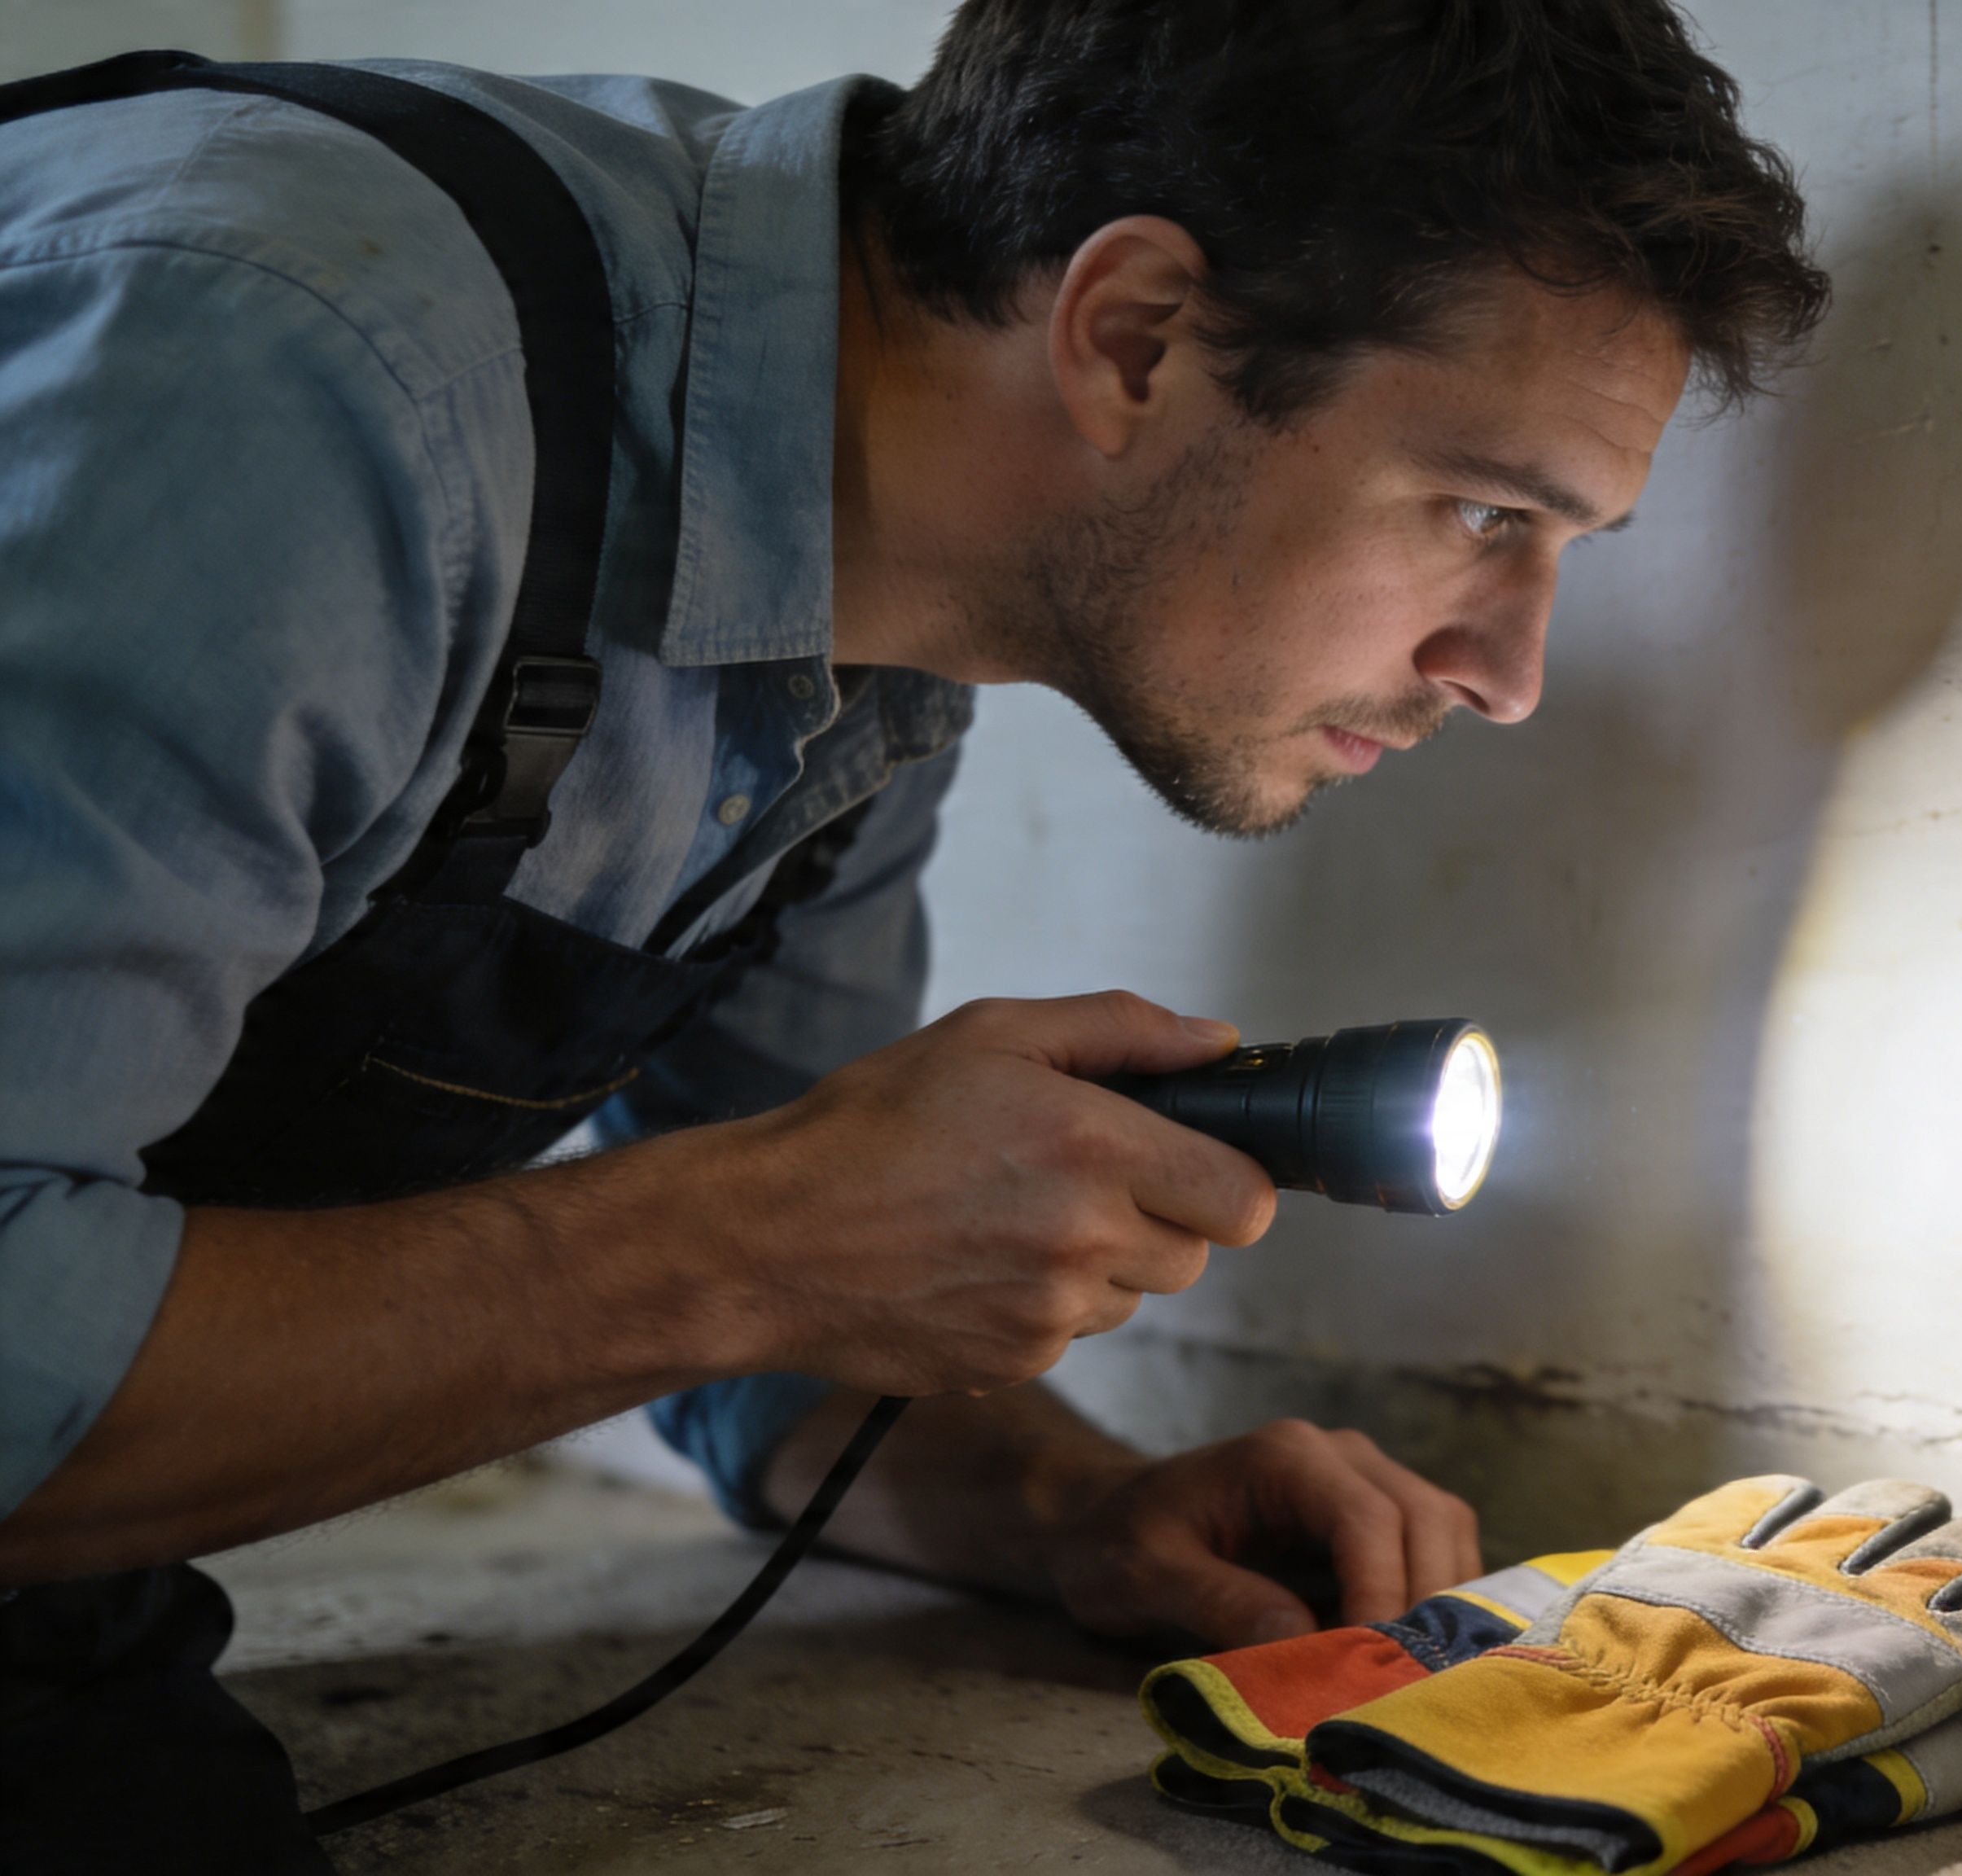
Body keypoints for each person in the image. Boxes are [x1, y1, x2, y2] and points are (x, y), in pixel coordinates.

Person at [0, 0, 1828, 1865]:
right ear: (1134, 336)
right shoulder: (286, 373)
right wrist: (755, 1235)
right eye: (1480, 510)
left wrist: (1063, 1507)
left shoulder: (868, 639)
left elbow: (773, 1342)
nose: (1508, 672)